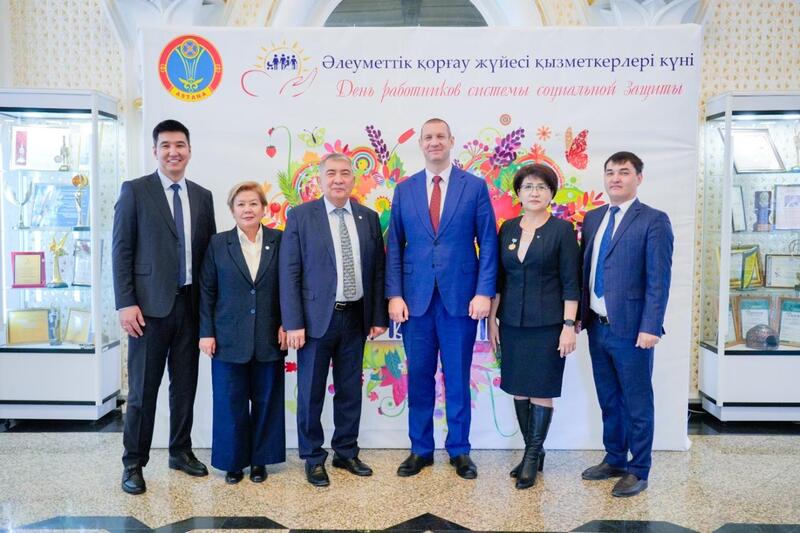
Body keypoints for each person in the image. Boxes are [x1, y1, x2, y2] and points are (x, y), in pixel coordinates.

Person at [386, 118, 498, 480]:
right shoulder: (404, 189)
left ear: (451, 141)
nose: (434, 142)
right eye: (428, 137)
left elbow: (488, 242)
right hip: (415, 302)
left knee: (457, 377)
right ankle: (420, 449)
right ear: (420, 144)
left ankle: (460, 450)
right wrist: (394, 295)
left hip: (461, 301)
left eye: (440, 137)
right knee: (418, 377)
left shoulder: (474, 187)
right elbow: (394, 246)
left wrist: (484, 292)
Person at [112, 119, 216, 495]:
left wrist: (209, 311)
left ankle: (180, 451)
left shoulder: (202, 196)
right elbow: (121, 250)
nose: (174, 152)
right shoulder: (136, 190)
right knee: (143, 390)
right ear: (155, 150)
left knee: (185, 386)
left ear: (189, 150)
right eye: (166, 145)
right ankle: (133, 462)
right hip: (148, 310)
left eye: (180, 145)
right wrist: (126, 303)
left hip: (190, 306)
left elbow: (208, 258)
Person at [279, 152, 389, 487]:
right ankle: (313, 457)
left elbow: (377, 270)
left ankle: (346, 451)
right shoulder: (301, 216)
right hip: (315, 321)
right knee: (310, 393)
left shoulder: (368, 218)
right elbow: (289, 271)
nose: (338, 179)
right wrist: (293, 322)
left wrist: (377, 315)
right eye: (331, 173)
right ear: (320, 179)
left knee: (349, 390)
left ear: (354, 179)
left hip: (355, 317)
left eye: (344, 173)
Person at [579, 151, 673, 497]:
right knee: (609, 398)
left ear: (639, 178)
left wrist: (651, 326)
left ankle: (639, 468)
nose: (615, 178)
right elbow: (586, 269)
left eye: (624, 172)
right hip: (597, 326)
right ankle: (615, 458)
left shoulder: (653, 220)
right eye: (610, 172)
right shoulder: (593, 219)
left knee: (637, 402)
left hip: (634, 330)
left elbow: (659, 280)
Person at [487, 164, 580, 489]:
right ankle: (534, 452)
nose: (534, 192)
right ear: (519, 193)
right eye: (528, 187)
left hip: (549, 324)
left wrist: (568, 325)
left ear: (551, 193)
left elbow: (571, 282)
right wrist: (492, 320)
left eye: (541, 187)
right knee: (519, 387)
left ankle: (530, 457)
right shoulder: (508, 228)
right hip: (512, 322)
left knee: (540, 389)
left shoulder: (562, 230)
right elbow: (499, 280)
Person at [198, 182, 287, 484]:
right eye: (241, 204)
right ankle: (233, 462)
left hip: (269, 336)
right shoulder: (217, 244)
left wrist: (287, 322)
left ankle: (261, 460)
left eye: (253, 203)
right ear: (232, 210)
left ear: (264, 208)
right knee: (229, 402)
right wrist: (206, 332)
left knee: (266, 401)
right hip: (227, 337)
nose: (247, 209)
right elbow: (207, 291)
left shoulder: (280, 240)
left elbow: (291, 285)